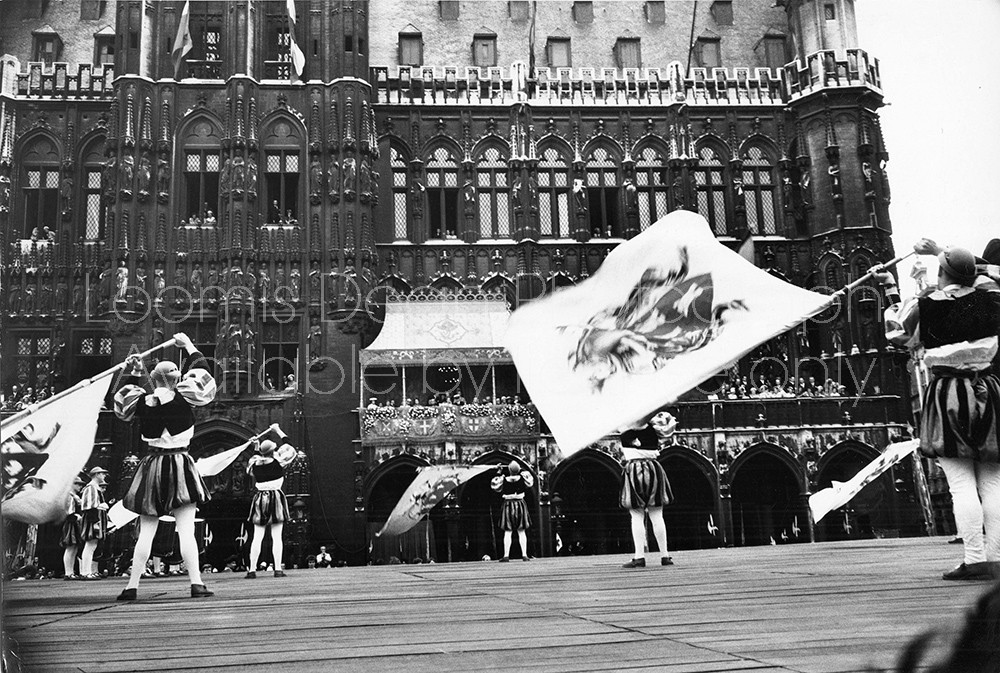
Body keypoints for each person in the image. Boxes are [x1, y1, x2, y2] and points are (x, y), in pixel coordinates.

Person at [883, 245, 1000, 580]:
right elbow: (991, 274)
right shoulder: (992, 298)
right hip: (988, 390)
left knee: (961, 483)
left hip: (949, 391)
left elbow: (897, 333)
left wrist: (890, 285)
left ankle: (975, 559)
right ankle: (996, 558)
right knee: (992, 481)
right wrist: (947, 255)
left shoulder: (926, 304)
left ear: (940, 273)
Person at [113, 332, 217, 600]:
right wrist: (190, 346)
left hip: (153, 466)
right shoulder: (185, 395)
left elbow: (121, 400)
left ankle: (132, 586)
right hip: (180, 464)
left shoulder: (141, 402)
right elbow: (205, 377)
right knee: (187, 530)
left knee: (146, 530)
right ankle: (196, 583)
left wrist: (133, 372)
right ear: (177, 378)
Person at [620, 413, 675, 568]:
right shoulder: (654, 428)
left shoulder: (625, 426)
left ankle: (639, 557)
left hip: (633, 469)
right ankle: (665, 556)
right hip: (653, 468)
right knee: (657, 514)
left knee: (636, 514)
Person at [244, 438, 295, 579]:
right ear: (273, 451)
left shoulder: (254, 463)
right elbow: (289, 447)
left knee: (257, 537)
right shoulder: (278, 461)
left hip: (260, 498)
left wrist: (256, 445)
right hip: (275, 497)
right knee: (277, 537)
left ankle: (252, 570)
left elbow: (254, 460)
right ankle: (278, 569)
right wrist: (277, 430)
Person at [491, 460, 534, 562]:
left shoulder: (503, 479)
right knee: (521, 531)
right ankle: (524, 555)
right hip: (520, 504)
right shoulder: (523, 478)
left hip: (508, 505)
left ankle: (506, 555)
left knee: (508, 531)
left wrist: (499, 472)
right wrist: (521, 469)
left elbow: (494, 485)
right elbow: (530, 480)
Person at [79, 466, 110, 579]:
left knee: (92, 545)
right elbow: (90, 507)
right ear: (97, 475)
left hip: (96, 517)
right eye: (102, 474)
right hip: (93, 518)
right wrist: (95, 522)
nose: (104, 476)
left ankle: (87, 571)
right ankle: (85, 572)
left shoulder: (94, 487)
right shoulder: (91, 487)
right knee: (90, 545)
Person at [60, 476, 86, 580]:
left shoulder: (75, 496)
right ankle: (68, 572)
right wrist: (75, 516)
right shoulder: (69, 496)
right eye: (77, 484)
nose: (80, 486)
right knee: (70, 547)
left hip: (74, 522)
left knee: (74, 548)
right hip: (71, 522)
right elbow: (68, 511)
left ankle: (70, 572)